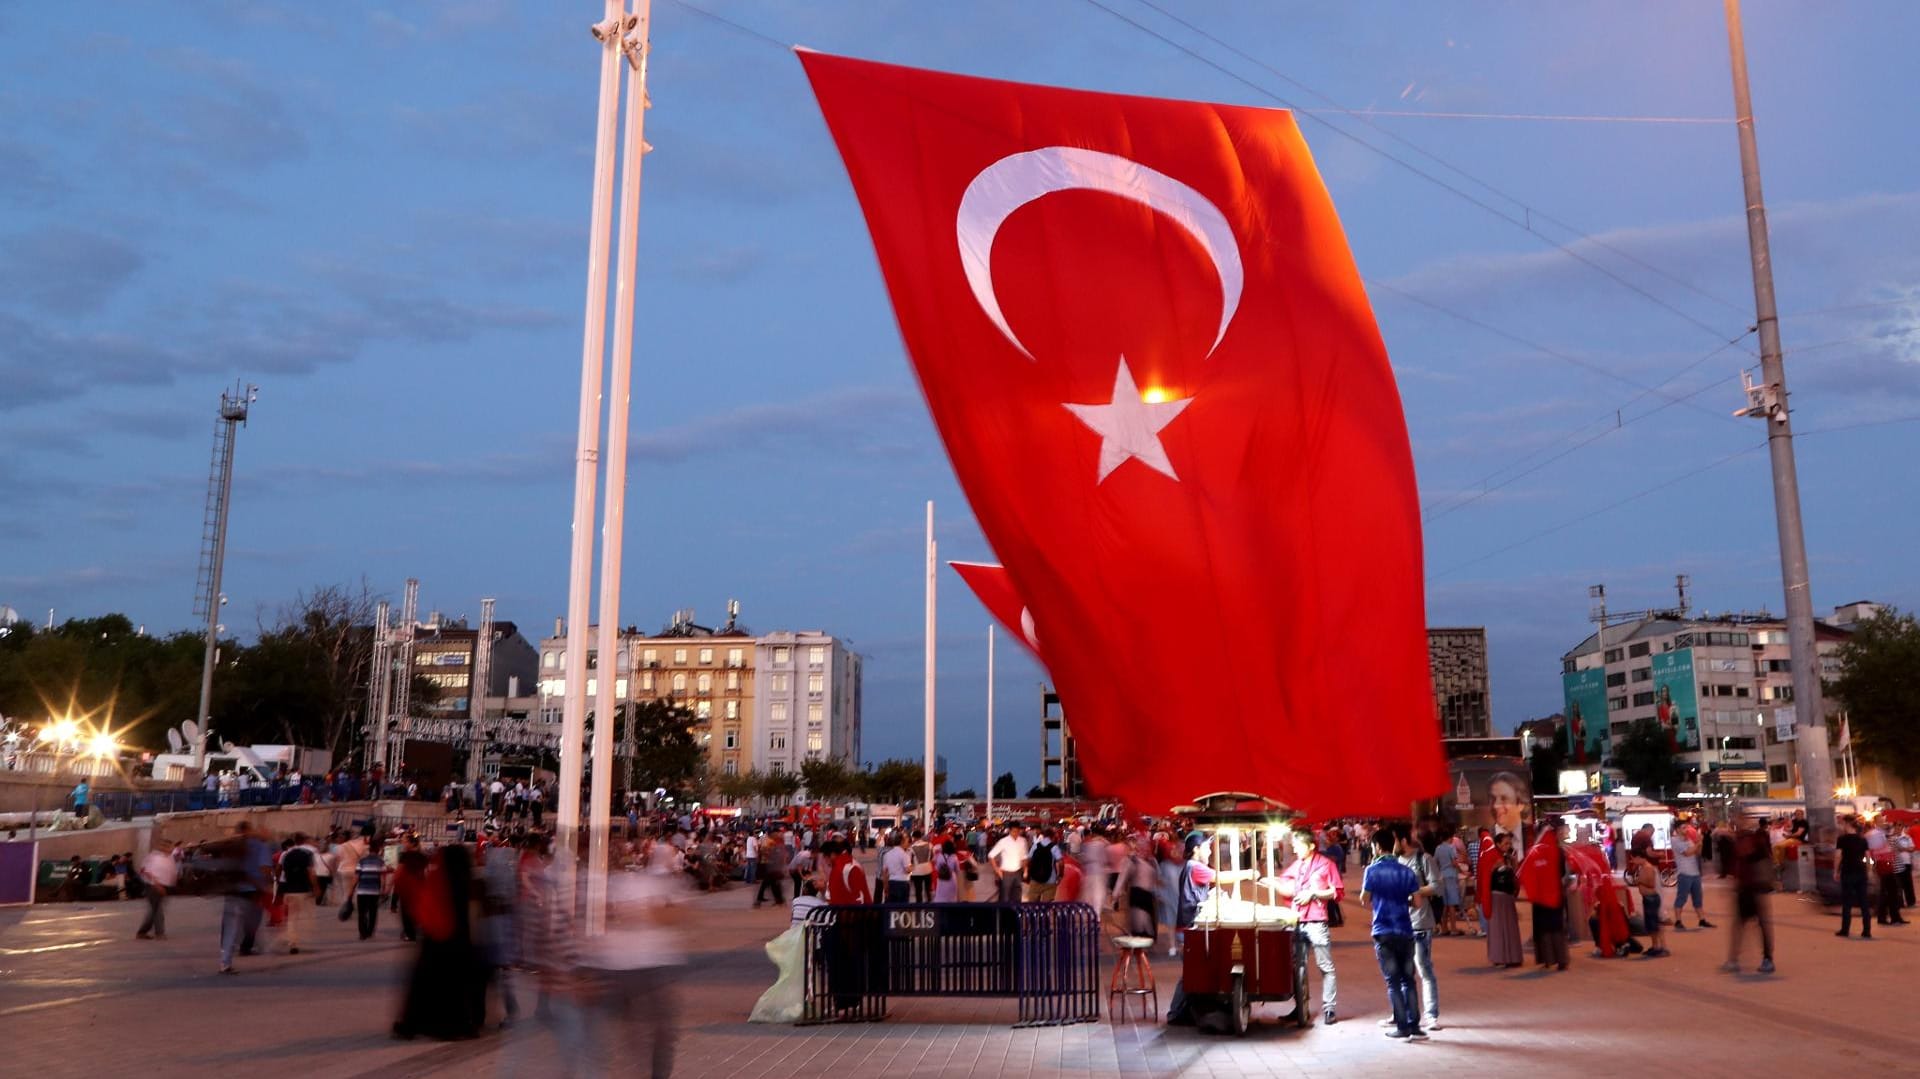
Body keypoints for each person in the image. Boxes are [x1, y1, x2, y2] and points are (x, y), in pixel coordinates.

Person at [393, 844, 484, 1040]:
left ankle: (414, 1023)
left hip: (435, 939)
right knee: (451, 987)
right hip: (454, 940)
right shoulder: (461, 878)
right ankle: (450, 1025)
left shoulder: (438, 877)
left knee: (425, 985)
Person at [1360, 830, 1426, 1042]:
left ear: (1377, 847)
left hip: (1383, 930)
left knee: (1393, 982)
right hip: (1405, 930)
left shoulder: (1372, 870)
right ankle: (1415, 1025)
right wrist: (1402, 900)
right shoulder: (1407, 872)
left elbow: (1364, 899)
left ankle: (1401, 1026)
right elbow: (1417, 903)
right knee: (1409, 980)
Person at [1274, 828, 1342, 1025]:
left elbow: (1336, 891)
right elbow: (1286, 886)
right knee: (1297, 967)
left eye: (1298, 846)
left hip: (1317, 921)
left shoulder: (1325, 864)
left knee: (1325, 966)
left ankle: (1329, 1008)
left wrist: (1314, 893)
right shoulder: (1297, 865)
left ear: (1311, 846)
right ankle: (1300, 1007)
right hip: (1297, 921)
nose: (1295, 850)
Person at [1392, 826, 1441, 1032]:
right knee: (1403, 973)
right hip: (1399, 924)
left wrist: (1414, 891)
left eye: (1394, 841)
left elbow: (1437, 886)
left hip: (1420, 923)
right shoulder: (1393, 862)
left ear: (1403, 841)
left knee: (1424, 968)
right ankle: (1402, 1014)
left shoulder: (1424, 859)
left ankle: (1431, 1015)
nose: (1391, 845)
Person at [1725, 817, 1776, 974]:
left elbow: (1740, 862)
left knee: (1742, 925)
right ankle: (1765, 959)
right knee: (1758, 925)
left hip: (1750, 889)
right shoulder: (1756, 839)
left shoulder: (1746, 841)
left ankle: (1735, 959)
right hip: (1754, 889)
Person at [1520, 828, 1570, 971]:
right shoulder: (1559, 852)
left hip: (1540, 898)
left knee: (1544, 929)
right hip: (1555, 895)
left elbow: (1526, 873)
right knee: (1557, 927)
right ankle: (1562, 960)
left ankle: (1547, 959)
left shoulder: (1534, 853)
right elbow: (1563, 873)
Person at [1483, 832, 1524, 967]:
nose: (1508, 846)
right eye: (1505, 843)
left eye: (1509, 843)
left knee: (1507, 927)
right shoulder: (1492, 856)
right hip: (1497, 896)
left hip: (1506, 896)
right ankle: (1502, 957)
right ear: (1498, 843)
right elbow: (1486, 876)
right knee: (1500, 928)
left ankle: (1508, 957)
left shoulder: (1506, 857)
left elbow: (1514, 875)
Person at [278, 832, 319, 954]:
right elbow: (311, 871)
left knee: (292, 917)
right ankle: (292, 937)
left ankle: (292, 941)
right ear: (305, 841)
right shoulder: (308, 854)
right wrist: (316, 887)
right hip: (303, 889)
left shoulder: (286, 854)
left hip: (289, 889)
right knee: (307, 916)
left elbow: (279, 869)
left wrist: (278, 883)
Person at [1837, 816, 1872, 939]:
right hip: (1861, 872)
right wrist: (1868, 870)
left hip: (1847, 872)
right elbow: (1868, 857)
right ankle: (1867, 931)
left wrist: (1836, 871)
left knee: (1847, 902)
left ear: (1847, 824)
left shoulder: (1842, 839)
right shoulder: (1862, 840)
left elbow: (1838, 856)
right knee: (1864, 902)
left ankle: (1845, 929)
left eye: (1843, 824)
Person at [1670, 823, 1711, 930]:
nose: (1686, 829)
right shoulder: (1675, 840)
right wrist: (1697, 844)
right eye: (1683, 828)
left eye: (1687, 827)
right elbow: (1687, 853)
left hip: (1695, 873)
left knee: (1698, 898)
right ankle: (1678, 921)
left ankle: (1702, 920)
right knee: (1681, 898)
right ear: (1677, 829)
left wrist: (1700, 843)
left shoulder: (1688, 840)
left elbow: (1697, 853)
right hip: (1684, 873)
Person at [136, 840, 178, 940]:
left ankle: (142, 932)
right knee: (158, 909)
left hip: (165, 886)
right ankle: (159, 933)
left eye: (168, 846)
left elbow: (172, 871)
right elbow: (144, 870)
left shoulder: (170, 857)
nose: (167, 848)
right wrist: (156, 884)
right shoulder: (153, 856)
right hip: (152, 886)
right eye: (164, 845)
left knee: (154, 910)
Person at [1630, 851, 1668, 957]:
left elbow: (1651, 883)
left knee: (1653, 924)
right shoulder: (1643, 867)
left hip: (1651, 898)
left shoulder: (1648, 867)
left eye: (1634, 859)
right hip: (1647, 898)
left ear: (1639, 857)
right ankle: (1655, 946)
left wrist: (1639, 881)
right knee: (1650, 924)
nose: (1633, 861)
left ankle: (1658, 947)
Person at [353, 838, 388, 940]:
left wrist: (351, 890)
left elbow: (356, 877)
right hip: (374, 891)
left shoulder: (362, 861)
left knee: (361, 912)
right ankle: (369, 931)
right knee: (373, 911)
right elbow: (382, 877)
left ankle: (362, 933)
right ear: (378, 850)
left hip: (362, 891)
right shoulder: (381, 862)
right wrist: (383, 889)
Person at [988, 823, 1030, 905]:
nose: (1016, 833)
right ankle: (1004, 915)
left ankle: (1016, 914)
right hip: (1006, 873)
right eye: (1014, 831)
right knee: (1005, 897)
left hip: (1018, 872)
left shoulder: (1023, 841)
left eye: (1018, 831)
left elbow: (1024, 857)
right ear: (1009, 831)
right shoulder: (1003, 841)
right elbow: (991, 855)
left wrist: (1025, 870)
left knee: (1017, 896)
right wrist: (997, 870)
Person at [755, 832, 791, 909]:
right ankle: (779, 901)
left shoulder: (778, 846)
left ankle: (779, 901)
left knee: (773, 885)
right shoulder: (776, 846)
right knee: (773, 885)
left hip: (773, 869)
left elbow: (780, 857)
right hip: (772, 869)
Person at [879, 831, 911, 904]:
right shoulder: (904, 855)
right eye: (906, 841)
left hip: (891, 882)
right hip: (903, 883)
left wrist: (885, 886)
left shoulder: (887, 854)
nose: (907, 843)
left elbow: (885, 872)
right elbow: (907, 870)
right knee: (902, 907)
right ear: (902, 842)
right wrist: (913, 867)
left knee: (892, 907)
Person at [908, 829, 934, 904]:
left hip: (917, 871)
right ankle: (929, 904)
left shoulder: (912, 847)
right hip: (928, 869)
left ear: (914, 837)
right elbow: (932, 856)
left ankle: (919, 906)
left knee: (918, 890)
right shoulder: (929, 845)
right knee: (927, 890)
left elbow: (910, 860)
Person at [931, 839, 960, 903]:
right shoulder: (954, 857)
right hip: (951, 878)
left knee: (941, 894)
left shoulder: (940, 856)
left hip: (941, 878)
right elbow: (957, 870)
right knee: (951, 895)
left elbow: (937, 867)